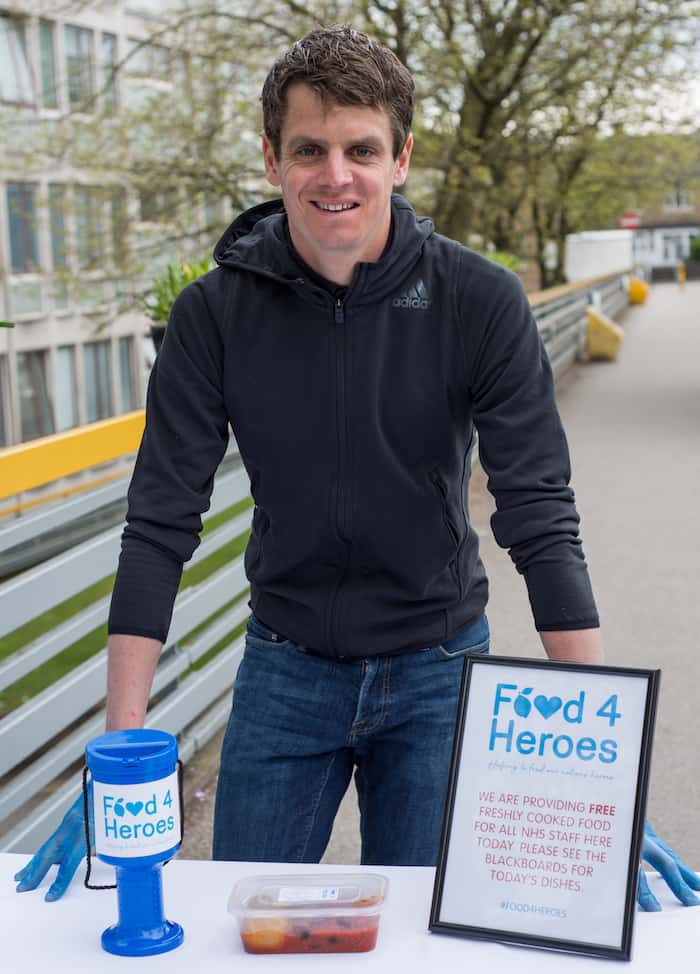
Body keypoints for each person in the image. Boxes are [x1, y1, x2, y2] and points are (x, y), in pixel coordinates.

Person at [15, 25, 699, 912]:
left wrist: (599, 769)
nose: (336, 175)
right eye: (310, 149)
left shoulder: (478, 300)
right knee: (246, 935)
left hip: (438, 670)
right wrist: (122, 747)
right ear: (272, 159)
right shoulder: (212, 316)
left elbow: (538, 514)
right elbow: (159, 525)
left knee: (420, 945)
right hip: (285, 671)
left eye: (361, 149)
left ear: (401, 157)